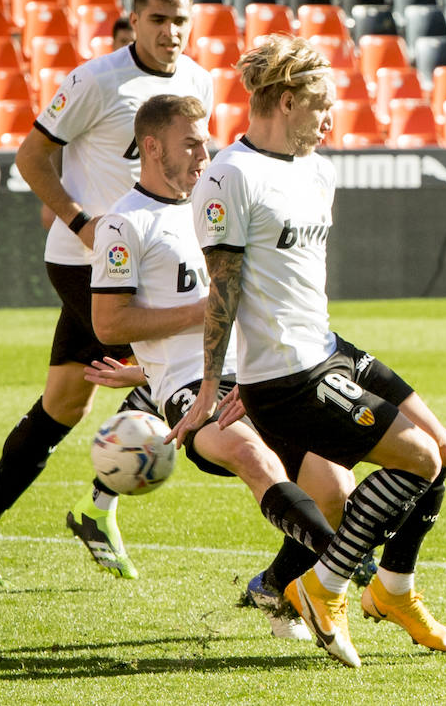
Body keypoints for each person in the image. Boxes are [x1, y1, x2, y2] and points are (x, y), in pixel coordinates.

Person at [169, 35, 446, 668]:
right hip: (288, 375)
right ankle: (325, 586)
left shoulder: (319, 170)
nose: (331, 121)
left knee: (444, 449)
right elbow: (224, 290)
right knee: (417, 460)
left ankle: (393, 591)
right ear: (289, 100)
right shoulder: (229, 176)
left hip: (326, 348)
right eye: (322, 106)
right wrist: (218, 384)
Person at [0, 0, 213, 585]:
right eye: (158, 19)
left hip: (154, 256)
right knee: (176, 364)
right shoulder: (97, 79)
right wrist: (82, 220)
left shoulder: (199, 82)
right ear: (134, 20)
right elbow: (30, 156)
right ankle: (100, 503)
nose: (170, 32)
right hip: (85, 260)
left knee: (65, 401)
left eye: (180, 21)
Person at [87, 93, 363, 641]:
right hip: (195, 389)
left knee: (336, 486)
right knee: (251, 454)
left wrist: (143, 371)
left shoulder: (215, 204)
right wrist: (197, 318)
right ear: (151, 146)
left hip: (261, 374)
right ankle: (353, 566)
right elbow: (109, 324)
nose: (203, 152)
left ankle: (276, 588)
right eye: (190, 142)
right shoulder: (123, 223)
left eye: (206, 140)